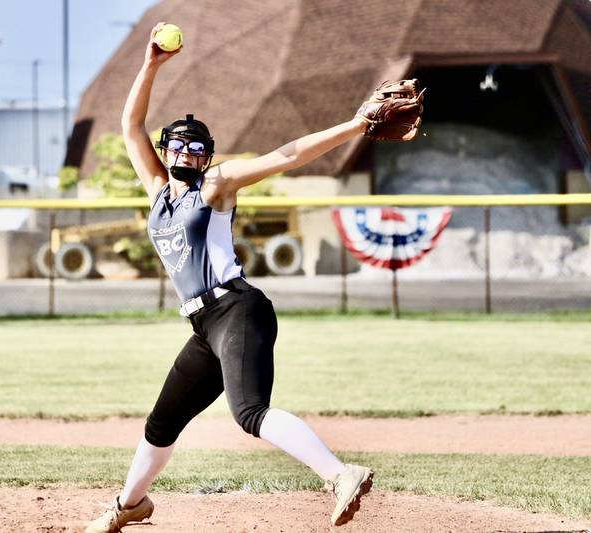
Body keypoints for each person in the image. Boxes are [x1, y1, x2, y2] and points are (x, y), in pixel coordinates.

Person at [85, 22, 415, 533]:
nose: (188, 155)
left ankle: (340, 473)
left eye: (198, 149)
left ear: (208, 158)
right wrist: (150, 64)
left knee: (250, 413)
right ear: (167, 150)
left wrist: (355, 126)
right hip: (204, 325)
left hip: (237, 309)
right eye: (180, 147)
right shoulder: (157, 190)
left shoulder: (216, 185)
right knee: (163, 422)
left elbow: (287, 155)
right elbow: (131, 125)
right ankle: (128, 506)